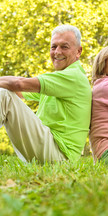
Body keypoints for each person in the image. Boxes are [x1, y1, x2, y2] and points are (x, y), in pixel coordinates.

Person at [0, 24, 91, 163]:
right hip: (49, 148)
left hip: (59, 155)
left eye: (64, 47)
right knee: (6, 93)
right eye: (53, 47)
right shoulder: (59, 79)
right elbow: (18, 91)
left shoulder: (73, 76)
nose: (57, 52)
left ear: (78, 51)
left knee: (4, 95)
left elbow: (18, 84)